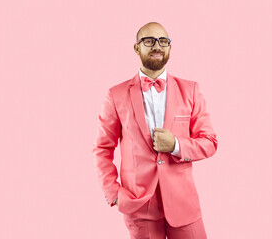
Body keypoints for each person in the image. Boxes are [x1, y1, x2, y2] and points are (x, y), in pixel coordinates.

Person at [92, 21, 218, 239]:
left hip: (183, 202)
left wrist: (176, 145)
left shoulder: (191, 90)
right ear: (137, 48)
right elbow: (102, 149)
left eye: (162, 41)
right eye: (148, 41)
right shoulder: (116, 95)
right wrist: (113, 193)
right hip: (139, 205)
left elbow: (209, 142)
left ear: (169, 46)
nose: (157, 46)